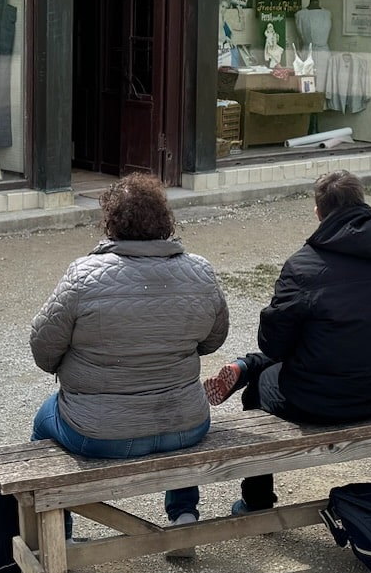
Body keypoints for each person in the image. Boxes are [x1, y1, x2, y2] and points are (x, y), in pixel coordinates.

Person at [29, 174, 230, 546]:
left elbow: (43, 351)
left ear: (111, 222)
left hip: (97, 433)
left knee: (43, 423)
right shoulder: (200, 271)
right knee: (179, 411)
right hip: (186, 423)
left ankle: (61, 539)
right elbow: (214, 340)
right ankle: (184, 515)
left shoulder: (83, 276)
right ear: (165, 221)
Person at [202, 171, 371, 513]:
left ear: (318, 213)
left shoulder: (303, 266)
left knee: (260, 383)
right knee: (311, 346)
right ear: (363, 205)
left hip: (317, 401)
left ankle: (257, 500)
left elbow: (275, 346)